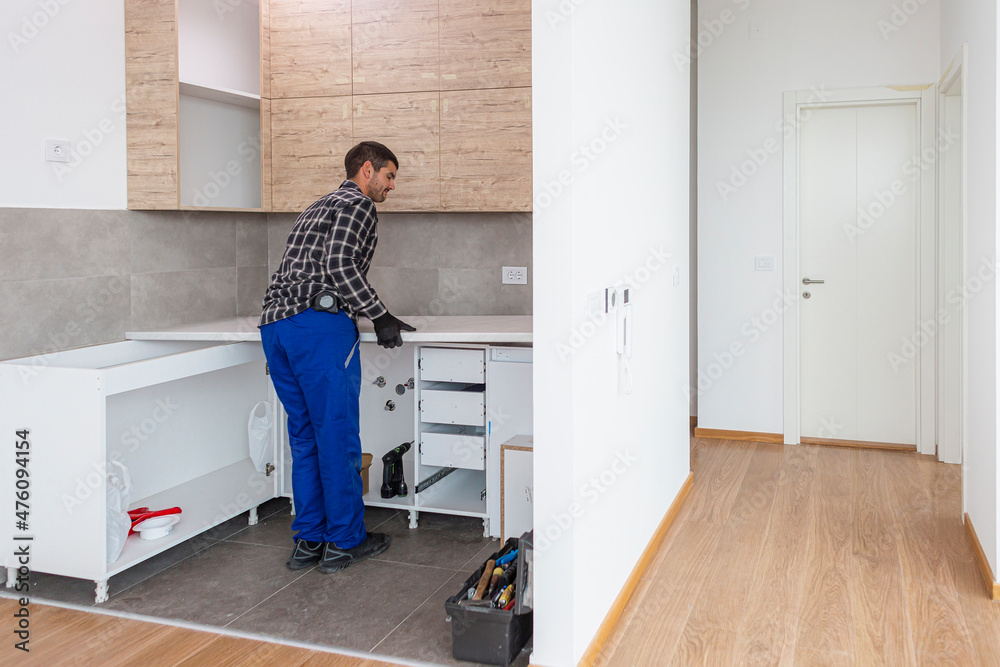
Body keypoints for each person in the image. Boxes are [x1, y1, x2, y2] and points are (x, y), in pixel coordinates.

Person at [258, 141, 416, 573]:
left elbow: (316, 264)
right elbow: (341, 265)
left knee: (305, 437)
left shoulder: (318, 205)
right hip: (317, 329)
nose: (391, 187)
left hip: (275, 327)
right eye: (389, 176)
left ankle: (309, 540)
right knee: (337, 436)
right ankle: (344, 541)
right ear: (367, 170)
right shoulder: (358, 205)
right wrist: (380, 316)